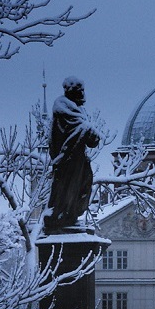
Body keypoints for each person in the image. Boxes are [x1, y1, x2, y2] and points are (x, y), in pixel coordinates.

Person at [45, 77, 100, 232]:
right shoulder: (62, 105)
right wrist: (89, 130)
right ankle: (61, 216)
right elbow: (81, 127)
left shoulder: (76, 108)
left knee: (83, 186)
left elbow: (89, 135)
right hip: (67, 159)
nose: (83, 94)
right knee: (67, 189)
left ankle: (70, 215)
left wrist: (89, 131)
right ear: (71, 91)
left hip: (78, 159)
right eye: (80, 91)